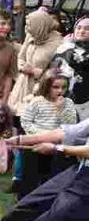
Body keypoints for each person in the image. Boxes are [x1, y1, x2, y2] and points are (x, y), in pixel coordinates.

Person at [17, 69, 78, 198]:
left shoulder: (68, 103)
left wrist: (60, 110)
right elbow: (26, 122)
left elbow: (70, 126)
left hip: (55, 148)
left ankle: (46, 204)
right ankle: (24, 201)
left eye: (64, 87)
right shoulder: (37, 101)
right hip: (35, 146)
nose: (60, 90)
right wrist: (43, 135)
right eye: (55, 87)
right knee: (29, 178)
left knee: (51, 178)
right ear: (47, 86)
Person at [6, 8, 63, 118]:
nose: (27, 28)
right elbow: (21, 56)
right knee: (14, 117)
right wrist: (22, 67)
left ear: (40, 25)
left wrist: (34, 71)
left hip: (41, 88)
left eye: (29, 25)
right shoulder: (32, 35)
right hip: (22, 84)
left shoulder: (59, 43)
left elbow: (59, 71)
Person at [49, 16, 89, 120]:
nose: (82, 31)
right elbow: (52, 71)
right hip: (61, 102)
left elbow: (78, 62)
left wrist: (67, 45)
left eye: (87, 28)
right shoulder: (64, 48)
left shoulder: (66, 47)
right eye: (79, 28)